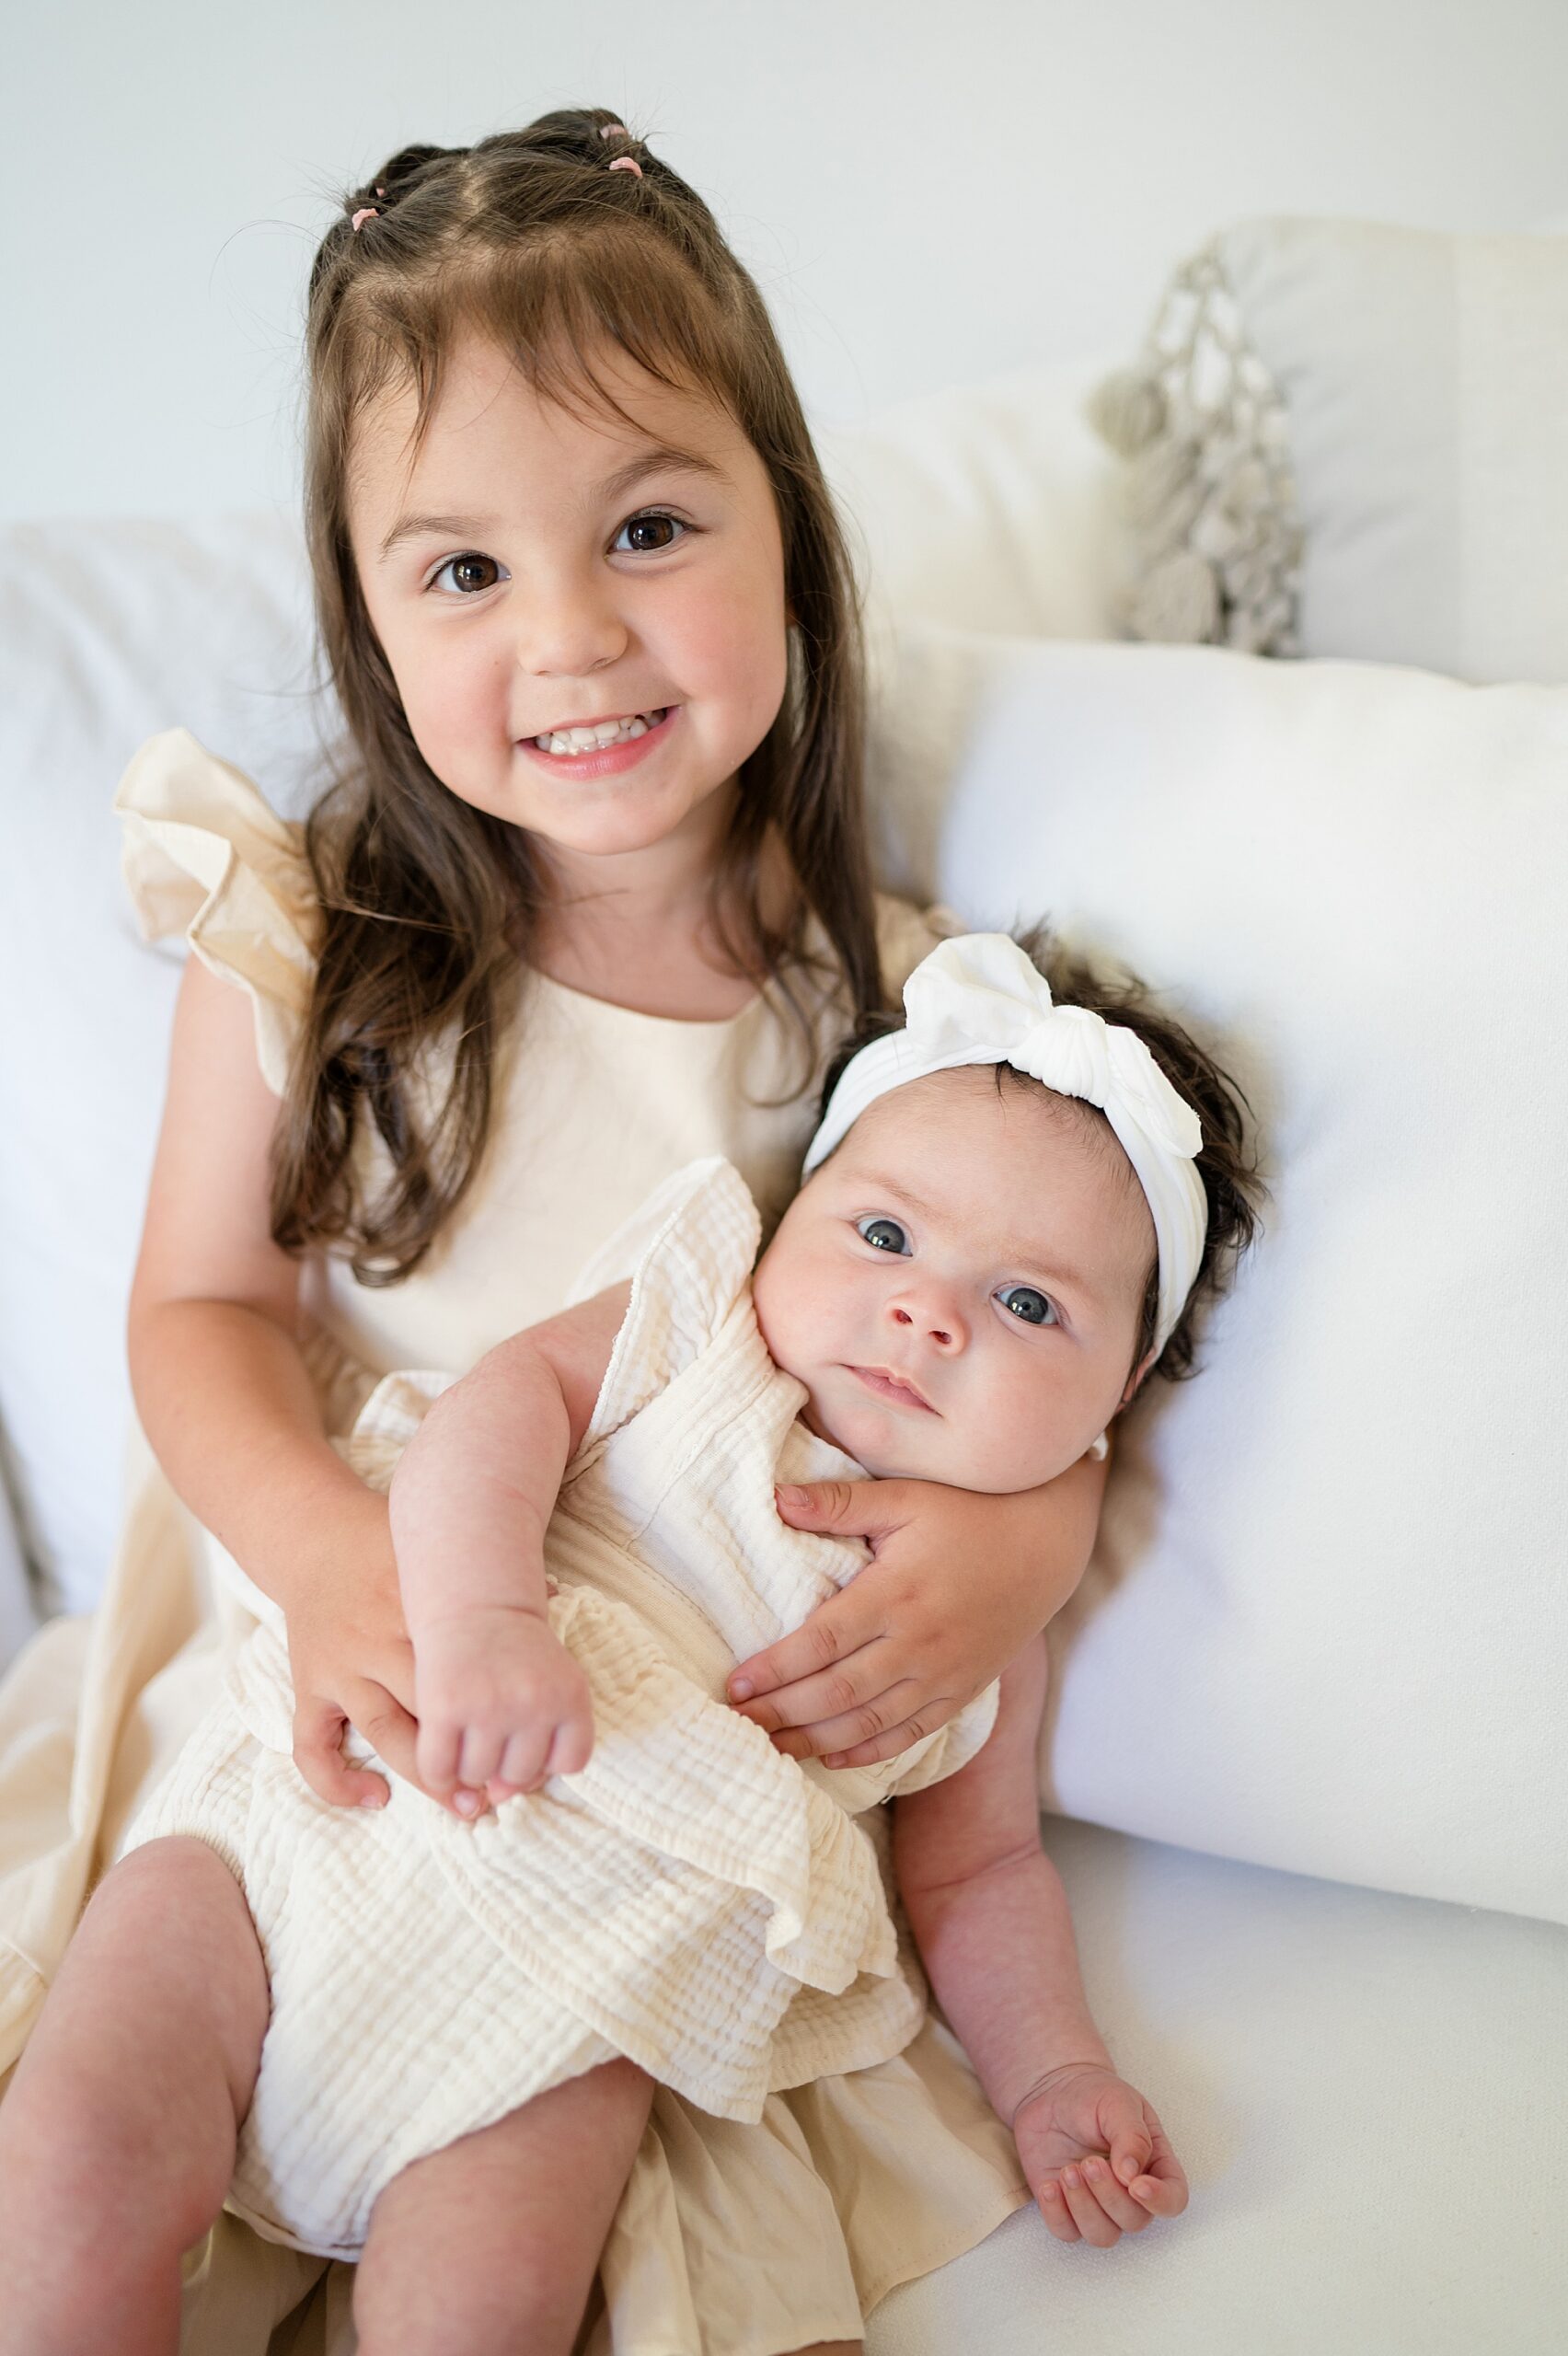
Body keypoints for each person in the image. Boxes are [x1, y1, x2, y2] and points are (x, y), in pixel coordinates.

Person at [0, 115, 1117, 2356]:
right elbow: (199, 1309)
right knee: (74, 2163)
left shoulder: (904, 1018)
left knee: (501, 2272)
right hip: (313, 1704)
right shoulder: (313, 943)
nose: (578, 632)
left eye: (647, 525)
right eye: (464, 570)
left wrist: (1026, 1543)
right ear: (364, 607)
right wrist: (340, 1559)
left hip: (619, 1787)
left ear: (783, 525)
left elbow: (1006, 1345)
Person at [6, 932, 1258, 2356]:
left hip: (573, 2001)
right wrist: (482, 1615)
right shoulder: (696, 1319)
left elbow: (978, 1872)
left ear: (1116, 1401)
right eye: (886, 1234)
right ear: (799, 1209)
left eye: (1029, 1304)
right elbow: (498, 1402)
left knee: (481, 2310)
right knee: (72, 2160)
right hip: (330, 1819)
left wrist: (1051, 2073)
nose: (925, 1311)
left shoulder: (974, 1621)